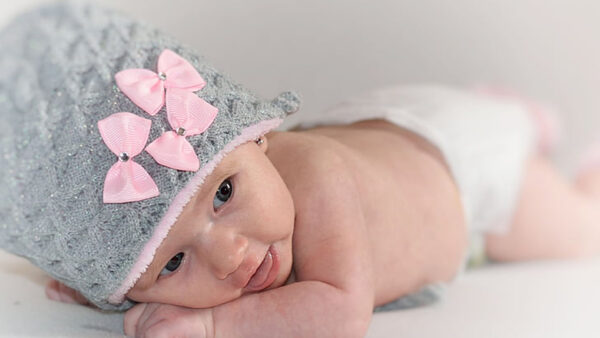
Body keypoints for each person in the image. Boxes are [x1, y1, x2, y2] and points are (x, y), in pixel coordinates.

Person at [2, 3, 600, 337]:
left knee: (575, 231)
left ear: (257, 139)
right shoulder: (214, 228)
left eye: (225, 193)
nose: (230, 254)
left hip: (464, 173)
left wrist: (212, 327)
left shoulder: (316, 176)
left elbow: (341, 311)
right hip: (386, 142)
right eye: (174, 262)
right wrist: (94, 293)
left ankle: (556, 159)